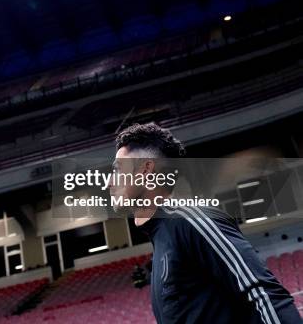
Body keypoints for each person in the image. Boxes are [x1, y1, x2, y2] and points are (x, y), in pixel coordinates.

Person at [110, 122, 301, 323]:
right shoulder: (161, 241)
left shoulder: (192, 220)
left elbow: (264, 294)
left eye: (117, 169)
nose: (109, 183)